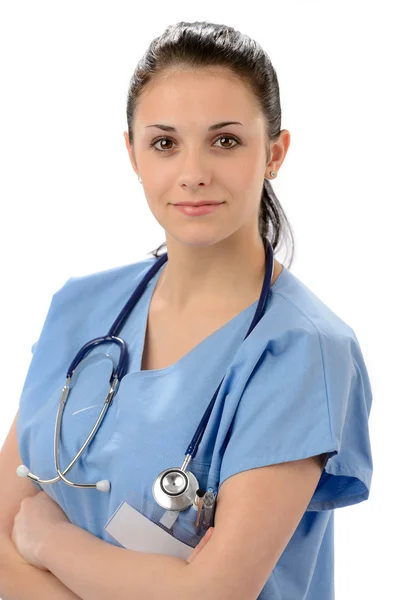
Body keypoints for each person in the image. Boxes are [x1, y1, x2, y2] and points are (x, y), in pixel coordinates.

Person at [0, 20, 373, 600]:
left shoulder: (303, 351)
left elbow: (215, 593)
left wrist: (51, 543)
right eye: (165, 142)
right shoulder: (81, 308)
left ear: (274, 153)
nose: (193, 173)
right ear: (132, 153)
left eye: (225, 140)